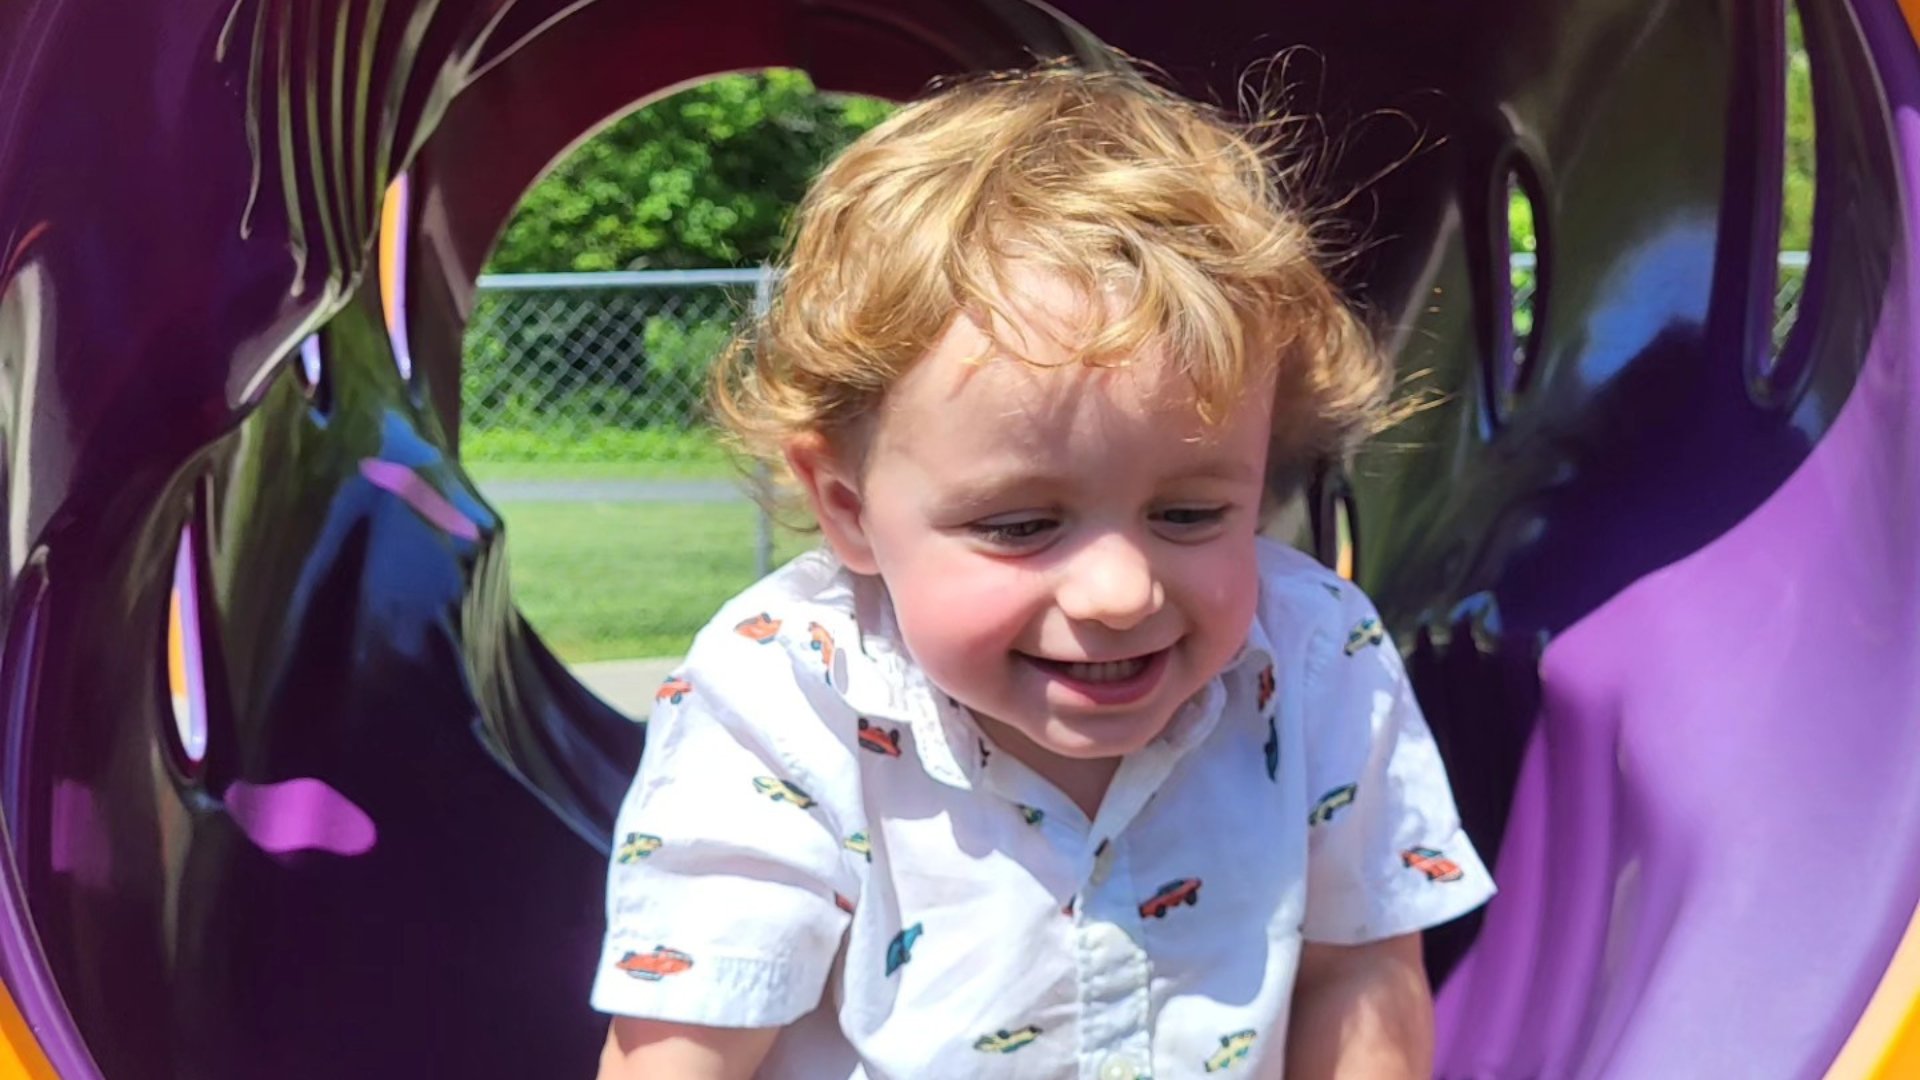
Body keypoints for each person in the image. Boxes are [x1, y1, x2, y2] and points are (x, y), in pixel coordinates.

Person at [591, 58, 1493, 1080]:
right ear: (849, 508)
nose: (1120, 593)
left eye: (1190, 514)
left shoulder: (1316, 657)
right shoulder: (785, 696)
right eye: (1021, 525)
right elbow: (690, 1038)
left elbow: (1357, 969)